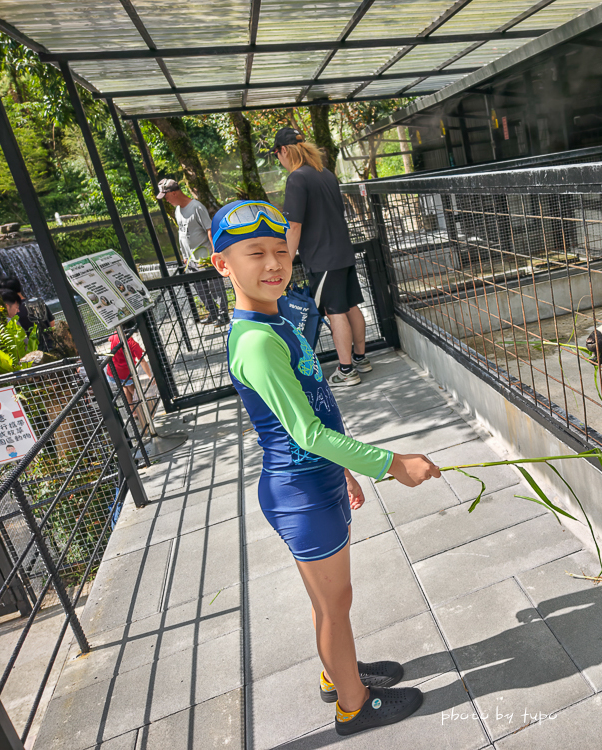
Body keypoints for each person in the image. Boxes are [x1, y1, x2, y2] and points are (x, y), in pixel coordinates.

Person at [211, 199, 440, 735]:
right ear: (223, 264)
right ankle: (354, 706)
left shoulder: (273, 320)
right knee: (335, 604)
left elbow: (311, 409)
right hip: (300, 491)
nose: (273, 264)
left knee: (331, 600)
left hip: (314, 479)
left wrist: (342, 467)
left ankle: (338, 674)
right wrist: (391, 463)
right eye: (254, 253)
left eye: (280, 252)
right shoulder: (256, 341)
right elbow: (305, 433)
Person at [274, 128, 371, 388]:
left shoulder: (296, 178)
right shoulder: (324, 173)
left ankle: (347, 370)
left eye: (277, 155)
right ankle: (361, 358)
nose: (279, 161)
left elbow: (293, 226)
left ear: (283, 151)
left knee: (334, 311)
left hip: (323, 256)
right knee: (351, 306)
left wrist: (285, 259)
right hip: (342, 251)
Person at [157, 178, 230, 327]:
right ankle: (212, 313)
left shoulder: (196, 207)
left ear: (174, 193)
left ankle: (224, 314)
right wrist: (184, 255)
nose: (166, 200)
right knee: (200, 289)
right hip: (190, 259)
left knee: (215, 287)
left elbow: (209, 230)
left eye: (166, 196)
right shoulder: (177, 210)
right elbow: (182, 234)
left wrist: (215, 253)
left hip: (205, 257)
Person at [105, 330, 156, 432]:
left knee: (125, 388)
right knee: (134, 391)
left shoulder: (116, 334)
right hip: (125, 373)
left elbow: (109, 339)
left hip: (112, 372)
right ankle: (143, 410)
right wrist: (150, 376)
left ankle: (133, 412)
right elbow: (142, 360)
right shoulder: (132, 344)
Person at [0, 278, 53, 350]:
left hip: (34, 350)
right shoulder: (37, 302)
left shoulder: (12, 314)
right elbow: (52, 322)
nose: (17, 310)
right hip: (50, 344)